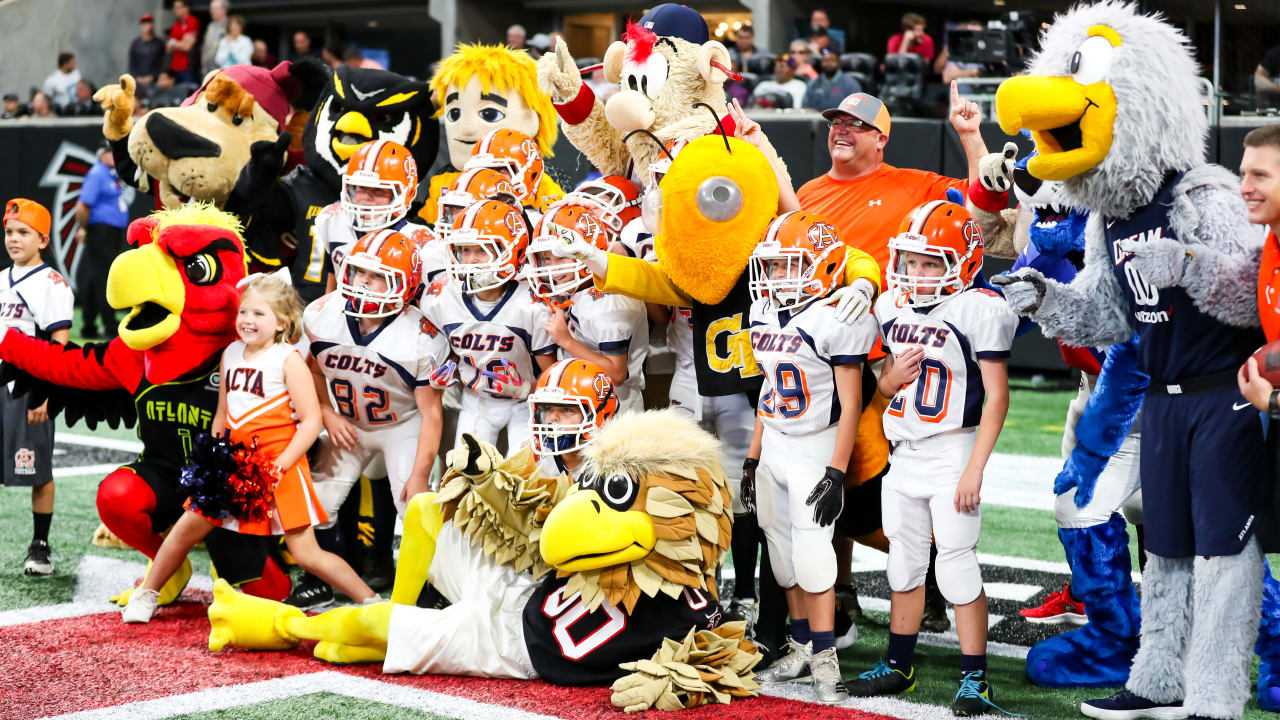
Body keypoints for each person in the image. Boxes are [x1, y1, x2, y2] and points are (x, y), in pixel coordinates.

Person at [121, 272, 376, 623]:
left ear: (281, 322)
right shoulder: (231, 353)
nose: (247, 321)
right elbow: (223, 413)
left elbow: (311, 423)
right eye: (243, 312)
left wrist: (279, 466)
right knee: (186, 527)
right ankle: (148, 593)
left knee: (306, 552)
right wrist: (212, 455)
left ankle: (372, 601)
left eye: (259, 314)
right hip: (233, 463)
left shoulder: (288, 360)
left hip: (280, 465)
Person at [847, 200, 1016, 716]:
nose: (915, 272)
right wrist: (887, 381)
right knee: (904, 561)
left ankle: (975, 678)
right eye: (911, 260)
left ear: (962, 262)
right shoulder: (892, 304)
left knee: (958, 563)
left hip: (952, 449)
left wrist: (975, 468)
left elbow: (997, 397)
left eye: (930, 262)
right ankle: (900, 665)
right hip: (904, 454)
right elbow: (884, 383)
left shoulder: (977, 309)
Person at [744, 211, 876, 704]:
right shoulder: (763, 312)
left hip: (815, 444)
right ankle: (801, 644)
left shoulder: (836, 318)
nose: (775, 278)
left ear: (822, 266)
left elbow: (852, 402)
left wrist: (837, 470)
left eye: (787, 266)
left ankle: (826, 659)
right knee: (781, 555)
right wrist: (753, 456)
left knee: (815, 555)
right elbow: (768, 385)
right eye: (773, 267)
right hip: (776, 440)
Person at [294, 230, 449, 609]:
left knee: (416, 505)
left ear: (406, 283)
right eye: (361, 272)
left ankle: (434, 586)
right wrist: (327, 413)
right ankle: (317, 579)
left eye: (379, 276)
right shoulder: (322, 314)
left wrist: (418, 474)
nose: (365, 283)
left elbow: (431, 412)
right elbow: (311, 372)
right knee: (316, 503)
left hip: (402, 424)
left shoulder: (421, 335)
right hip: (347, 422)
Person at [797, 87, 992, 287]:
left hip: (883, 313)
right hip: (818, 311)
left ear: (880, 140)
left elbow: (982, 197)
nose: (841, 130)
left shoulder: (913, 185)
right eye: (836, 123)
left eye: (855, 124)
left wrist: (970, 135)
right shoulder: (807, 192)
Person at [422, 198, 558, 449]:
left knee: (524, 477)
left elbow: (554, 379)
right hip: (476, 401)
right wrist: (447, 369)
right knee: (466, 473)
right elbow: (454, 351)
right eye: (465, 250)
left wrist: (524, 389)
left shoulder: (532, 305)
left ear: (511, 251)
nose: (471, 260)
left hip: (525, 403)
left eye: (481, 250)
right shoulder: (441, 299)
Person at [0, 200, 72, 577]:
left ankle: (40, 546)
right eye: (10, 231)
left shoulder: (51, 283)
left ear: (43, 239)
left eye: (23, 232)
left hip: (27, 387)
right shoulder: (1, 278)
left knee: (37, 469)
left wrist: (46, 393)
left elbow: (59, 341)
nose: (14, 239)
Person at [525, 202, 649, 412]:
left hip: (616, 402)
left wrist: (566, 341)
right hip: (583, 394)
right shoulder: (579, 289)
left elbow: (616, 374)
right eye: (546, 258)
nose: (553, 269)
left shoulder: (609, 301)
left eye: (562, 256)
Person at [1238, 124, 1280, 412]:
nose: (1245, 188)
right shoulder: (1269, 243)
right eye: (1243, 175)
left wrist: (1272, 402)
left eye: (1260, 176)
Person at [526, 357, 618, 477]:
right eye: (549, 409)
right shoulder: (531, 458)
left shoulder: (614, 465)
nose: (553, 418)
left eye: (567, 409)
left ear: (597, 413)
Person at [74, 143, 129, 339]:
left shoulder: (109, 174)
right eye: (109, 152)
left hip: (108, 232)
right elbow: (81, 206)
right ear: (101, 155)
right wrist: (84, 228)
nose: (113, 156)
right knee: (105, 277)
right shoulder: (98, 174)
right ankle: (109, 325)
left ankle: (88, 325)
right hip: (101, 231)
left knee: (94, 277)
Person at [166, 0, 201, 84]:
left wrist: (174, 42)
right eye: (174, 8)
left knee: (188, 94)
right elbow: (167, 48)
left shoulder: (192, 22)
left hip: (188, 68)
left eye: (178, 7)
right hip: (174, 67)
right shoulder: (176, 25)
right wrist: (181, 42)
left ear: (186, 8)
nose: (175, 10)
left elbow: (187, 47)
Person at [128, 14, 166, 85]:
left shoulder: (158, 43)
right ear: (141, 25)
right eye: (144, 23)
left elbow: (161, 62)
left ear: (152, 24)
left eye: (148, 22)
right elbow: (132, 63)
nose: (146, 25)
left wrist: (153, 76)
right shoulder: (135, 43)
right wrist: (136, 77)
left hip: (153, 81)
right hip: (137, 81)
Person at [202, 0, 230, 76]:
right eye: (211, 9)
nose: (211, 12)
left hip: (224, 71)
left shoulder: (230, 26)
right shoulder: (210, 26)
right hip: (208, 71)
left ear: (223, 10)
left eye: (214, 9)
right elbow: (204, 48)